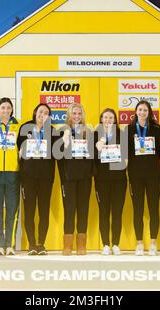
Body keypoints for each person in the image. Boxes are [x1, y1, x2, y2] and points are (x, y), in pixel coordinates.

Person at [17, 103, 55, 256]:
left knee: (44, 211)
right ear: (35, 113)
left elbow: (55, 154)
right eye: (40, 111)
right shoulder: (25, 127)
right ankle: (32, 244)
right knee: (30, 210)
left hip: (46, 177)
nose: (42, 115)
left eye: (46, 113)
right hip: (28, 176)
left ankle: (41, 244)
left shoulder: (52, 131)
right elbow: (18, 149)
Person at [58, 103, 95, 256]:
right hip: (68, 178)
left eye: (79, 113)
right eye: (74, 113)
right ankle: (67, 245)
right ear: (69, 115)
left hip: (85, 177)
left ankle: (81, 245)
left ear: (83, 115)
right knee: (69, 210)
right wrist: (64, 142)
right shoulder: (62, 131)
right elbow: (57, 155)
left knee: (83, 209)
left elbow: (94, 155)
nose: (77, 116)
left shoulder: (89, 132)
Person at [127, 101, 160, 256]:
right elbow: (126, 152)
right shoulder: (129, 129)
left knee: (154, 209)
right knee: (138, 210)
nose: (142, 112)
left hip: (153, 174)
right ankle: (139, 243)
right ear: (136, 112)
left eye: (145, 110)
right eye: (140, 110)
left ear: (149, 112)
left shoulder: (156, 129)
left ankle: (153, 243)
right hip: (135, 176)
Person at [0, 98, 20, 256]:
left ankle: (11, 244)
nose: (6, 110)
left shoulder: (18, 125)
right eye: (3, 107)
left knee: (12, 209)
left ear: (12, 109)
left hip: (13, 172)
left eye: (8, 107)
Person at [94, 108, 127, 256]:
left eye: (111, 118)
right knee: (104, 212)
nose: (108, 120)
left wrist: (124, 160)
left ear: (115, 120)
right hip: (101, 180)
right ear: (101, 119)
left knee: (117, 213)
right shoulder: (95, 134)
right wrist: (98, 146)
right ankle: (105, 243)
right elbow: (91, 156)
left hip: (119, 179)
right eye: (105, 117)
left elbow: (127, 155)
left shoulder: (122, 134)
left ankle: (116, 244)